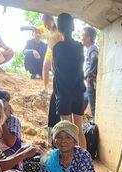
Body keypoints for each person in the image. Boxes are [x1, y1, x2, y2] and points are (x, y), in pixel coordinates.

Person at [52, 13, 86, 149]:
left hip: (63, 93)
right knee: (79, 130)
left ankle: (69, 168)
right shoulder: (79, 46)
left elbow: (55, 69)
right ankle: (85, 164)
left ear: (59, 28)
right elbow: (79, 67)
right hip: (78, 91)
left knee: (66, 131)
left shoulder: (57, 47)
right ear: (72, 27)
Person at [0, 89, 22, 156]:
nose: (1, 113)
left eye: (4, 109)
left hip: (9, 152)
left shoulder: (12, 120)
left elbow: (10, 143)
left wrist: (2, 121)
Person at [82, 27, 99, 120]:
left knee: (93, 108)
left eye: (83, 36)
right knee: (83, 101)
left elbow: (95, 58)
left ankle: (95, 125)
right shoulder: (90, 49)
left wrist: (90, 75)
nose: (82, 38)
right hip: (88, 83)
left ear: (88, 38)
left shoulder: (93, 48)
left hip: (91, 82)